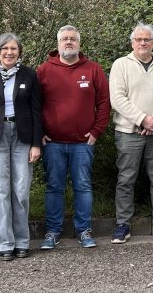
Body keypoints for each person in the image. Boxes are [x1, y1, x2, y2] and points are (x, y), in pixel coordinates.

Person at [37, 26, 110, 250]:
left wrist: (97, 131)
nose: (69, 42)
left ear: (79, 43)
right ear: (58, 43)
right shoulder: (43, 70)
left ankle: (83, 230)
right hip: (53, 144)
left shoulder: (93, 69)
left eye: (73, 39)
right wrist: (38, 132)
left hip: (82, 143)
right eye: (64, 39)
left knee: (83, 187)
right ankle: (52, 232)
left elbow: (104, 103)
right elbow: (32, 105)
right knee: (54, 188)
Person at [0, 33, 42, 261]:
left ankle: (22, 241)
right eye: (5, 48)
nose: (10, 52)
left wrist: (36, 143)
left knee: (21, 191)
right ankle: (4, 243)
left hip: (22, 137)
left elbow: (36, 111)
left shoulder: (29, 75)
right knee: (0, 191)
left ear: (19, 52)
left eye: (14, 48)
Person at [109, 23, 153, 244]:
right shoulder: (121, 65)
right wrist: (142, 119)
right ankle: (122, 224)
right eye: (138, 39)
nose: (143, 43)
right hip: (128, 132)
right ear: (132, 42)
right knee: (126, 179)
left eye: (147, 39)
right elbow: (117, 99)